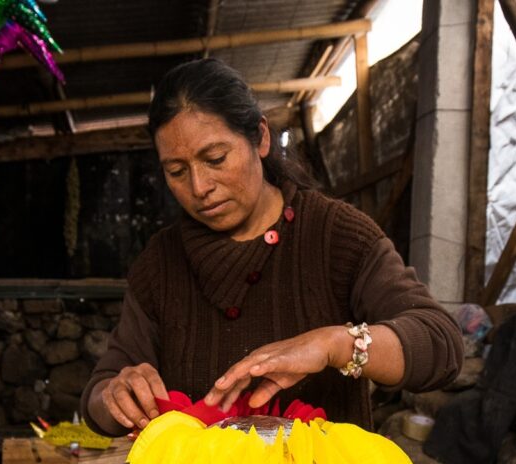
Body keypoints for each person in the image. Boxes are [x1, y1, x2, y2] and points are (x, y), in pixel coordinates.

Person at [81, 58, 462, 436]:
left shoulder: (338, 237)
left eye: (215, 159)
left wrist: (334, 344)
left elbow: (439, 345)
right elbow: (98, 399)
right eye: (176, 171)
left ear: (260, 138)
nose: (199, 187)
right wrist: (116, 395)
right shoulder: (160, 264)